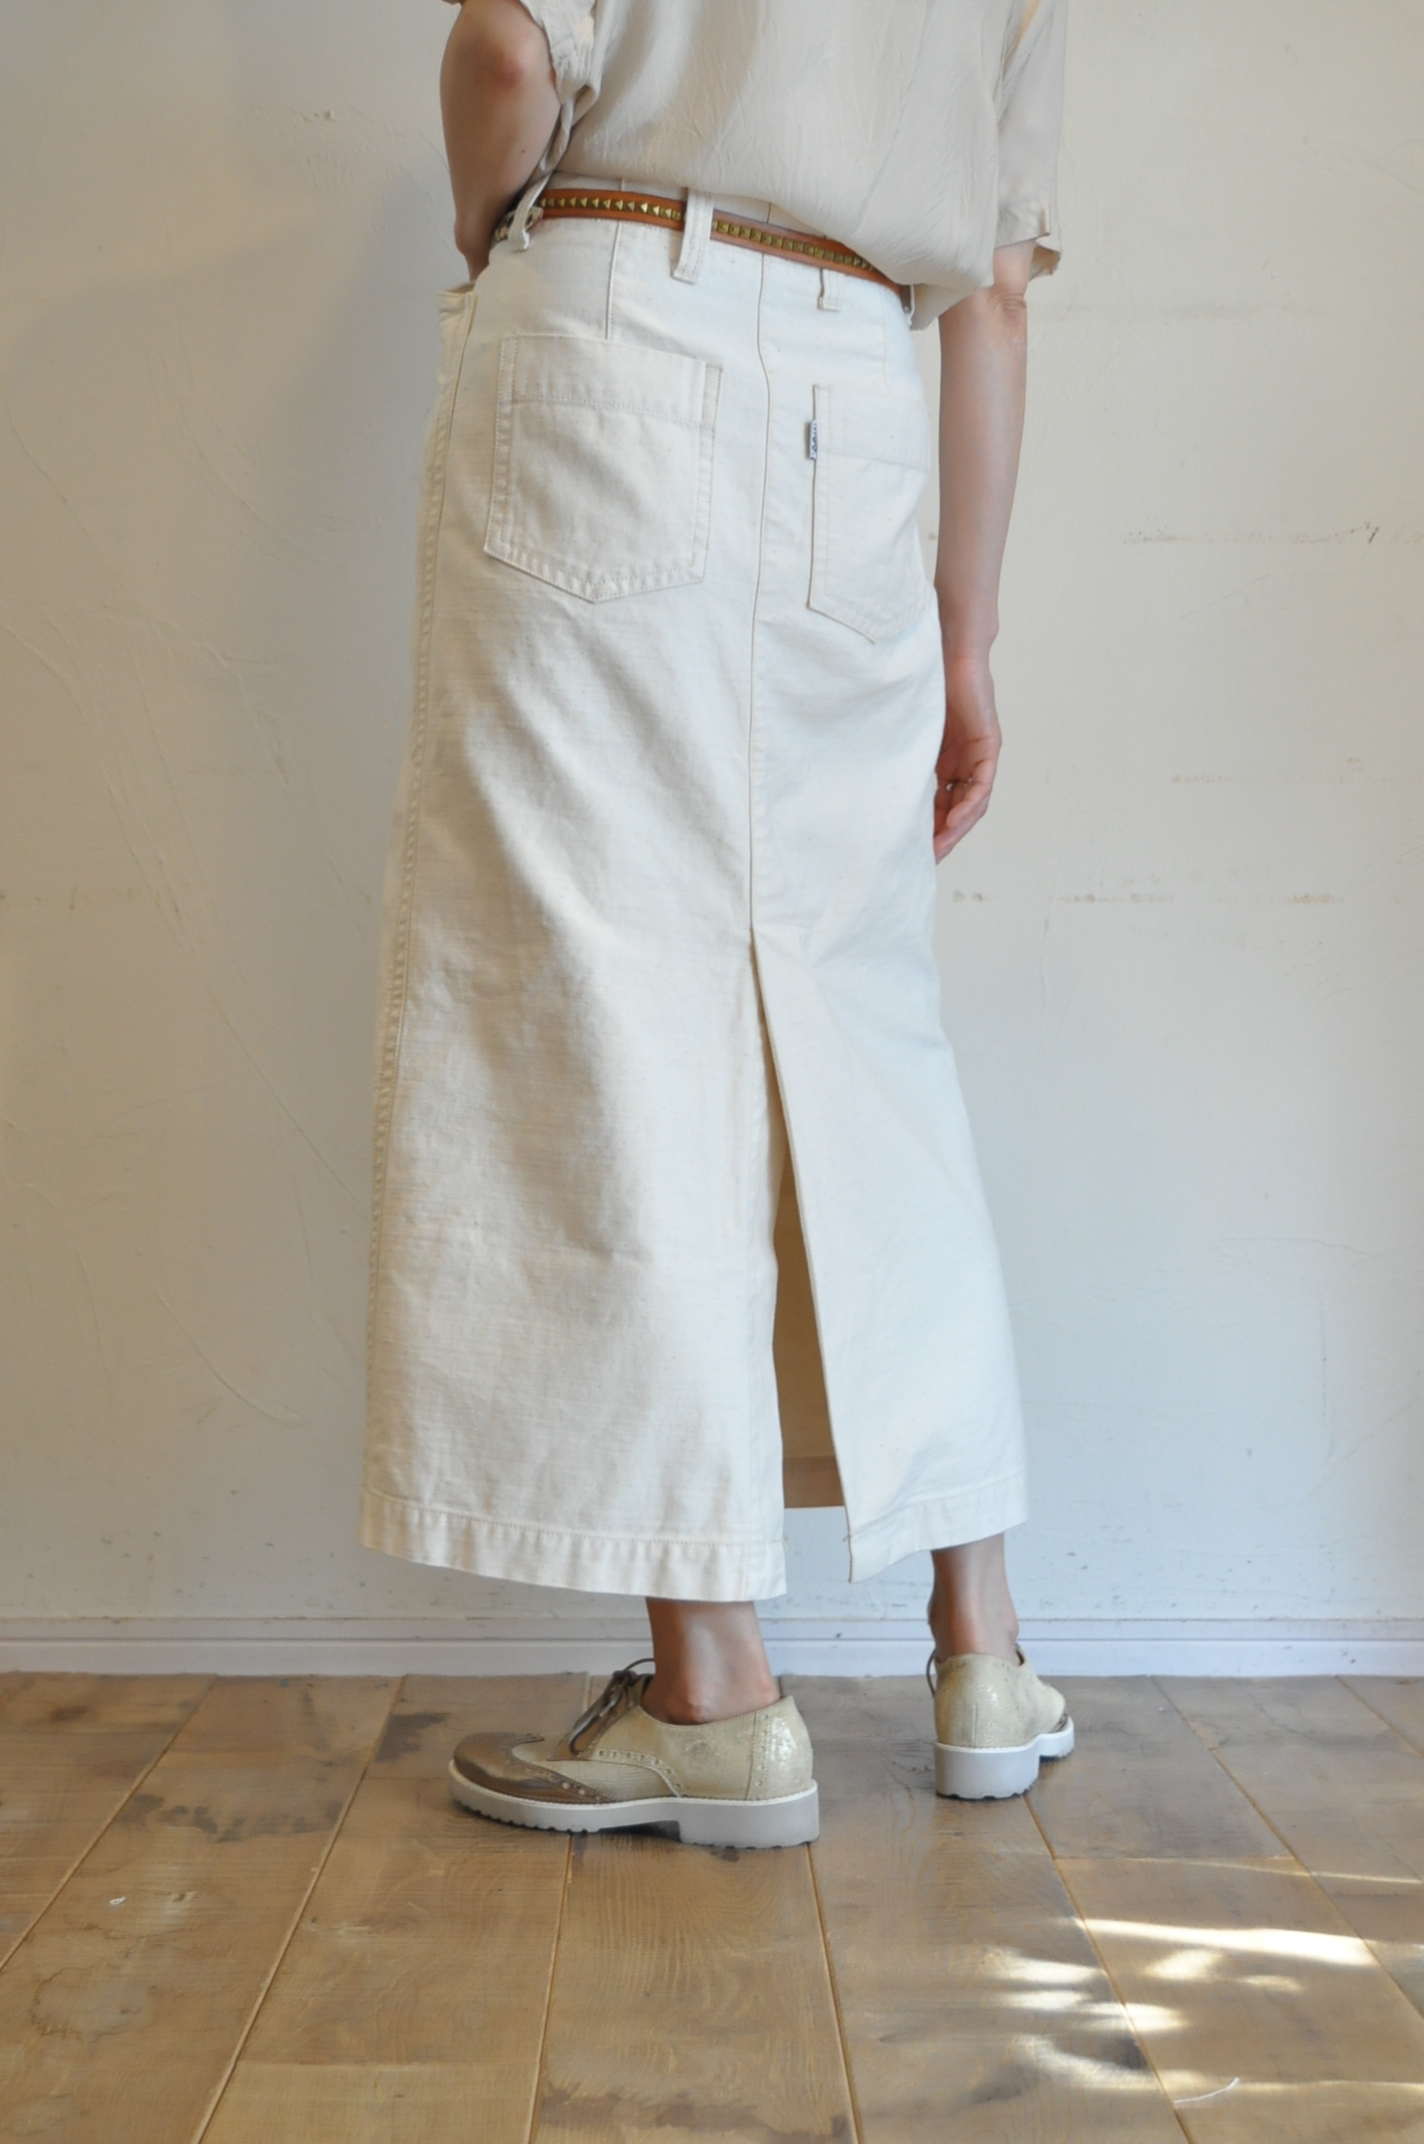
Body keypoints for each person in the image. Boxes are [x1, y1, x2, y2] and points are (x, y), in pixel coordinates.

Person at [361, 0, 1074, 1848]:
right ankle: (984, 1654)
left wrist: (491, 233)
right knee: (864, 1018)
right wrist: (968, 641)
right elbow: (997, 295)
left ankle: (717, 1694)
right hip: (867, 397)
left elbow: (509, 53)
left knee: (618, 1004)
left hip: (614, 333)